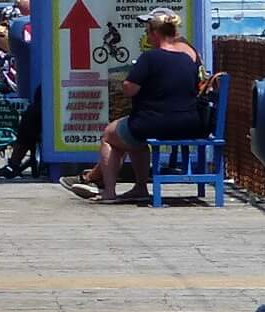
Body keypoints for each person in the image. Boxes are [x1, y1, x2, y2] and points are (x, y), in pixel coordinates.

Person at [72, 11, 208, 204]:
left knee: (110, 135)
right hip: (190, 123)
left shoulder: (149, 58)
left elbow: (129, 89)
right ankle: (138, 187)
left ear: (154, 34)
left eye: (147, 32)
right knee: (130, 135)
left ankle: (109, 191)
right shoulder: (188, 58)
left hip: (154, 123)